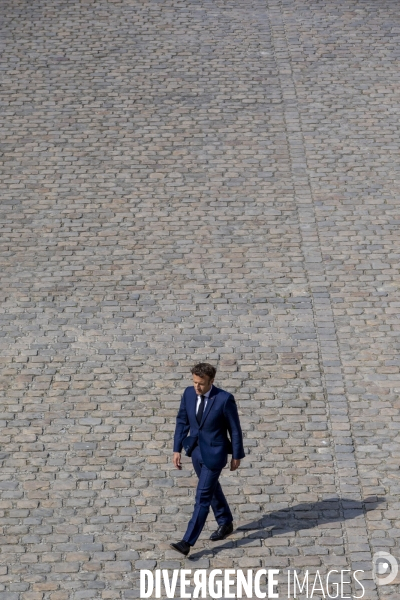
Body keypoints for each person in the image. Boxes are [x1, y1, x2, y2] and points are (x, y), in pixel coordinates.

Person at [170, 362, 245, 556]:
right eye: (194, 382)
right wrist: (176, 448)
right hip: (196, 451)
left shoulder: (224, 399)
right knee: (211, 489)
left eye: (201, 384)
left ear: (211, 381)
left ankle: (187, 541)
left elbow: (234, 430)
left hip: (215, 454)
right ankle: (225, 521)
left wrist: (236, 454)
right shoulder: (188, 394)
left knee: (202, 496)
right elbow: (182, 420)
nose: (197, 387)